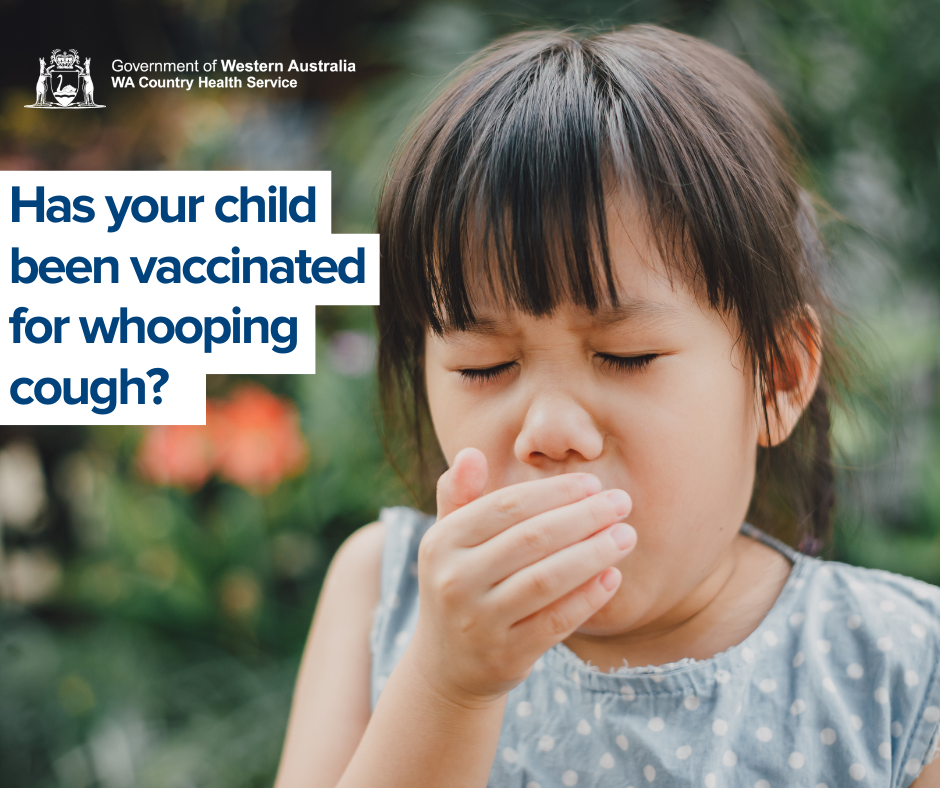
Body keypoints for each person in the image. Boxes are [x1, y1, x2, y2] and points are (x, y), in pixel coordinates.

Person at [274, 24, 940, 788]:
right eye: (485, 366)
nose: (550, 430)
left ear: (778, 377)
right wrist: (447, 687)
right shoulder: (380, 595)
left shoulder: (901, 675)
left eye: (625, 356)